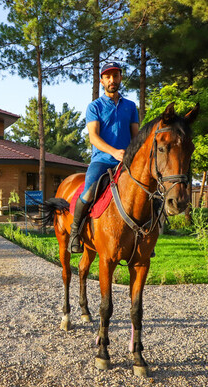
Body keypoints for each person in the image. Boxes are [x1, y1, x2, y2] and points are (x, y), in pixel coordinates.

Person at [69, 62, 140, 253]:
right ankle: (75, 232)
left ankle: (147, 235)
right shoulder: (95, 107)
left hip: (126, 162)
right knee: (89, 194)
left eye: (115, 76)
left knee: (148, 191)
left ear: (120, 78)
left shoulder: (131, 106)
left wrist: (132, 155)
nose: (112, 80)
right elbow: (94, 137)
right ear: (102, 80)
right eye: (107, 77)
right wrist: (114, 152)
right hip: (101, 161)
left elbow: (136, 137)